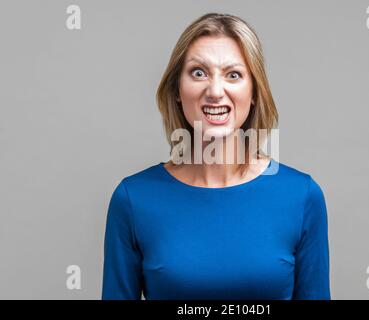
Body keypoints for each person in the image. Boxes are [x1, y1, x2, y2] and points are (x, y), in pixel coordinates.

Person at [101, 12, 330, 300]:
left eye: (233, 75)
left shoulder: (302, 196)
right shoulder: (133, 199)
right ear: (176, 90)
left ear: (255, 91)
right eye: (199, 72)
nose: (215, 91)